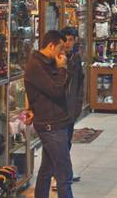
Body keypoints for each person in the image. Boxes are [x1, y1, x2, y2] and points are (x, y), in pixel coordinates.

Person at [25, 30, 74, 198]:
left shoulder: (47, 62)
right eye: (60, 48)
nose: (62, 53)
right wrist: (62, 69)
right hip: (50, 125)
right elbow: (56, 91)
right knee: (64, 173)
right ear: (51, 45)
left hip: (57, 121)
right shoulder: (36, 65)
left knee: (48, 169)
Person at [60, 27, 84, 184]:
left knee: (66, 142)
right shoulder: (57, 59)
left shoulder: (76, 59)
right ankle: (61, 176)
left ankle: (65, 173)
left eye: (71, 39)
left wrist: (78, 104)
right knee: (59, 144)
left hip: (71, 108)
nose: (68, 43)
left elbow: (80, 84)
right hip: (58, 108)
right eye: (66, 39)